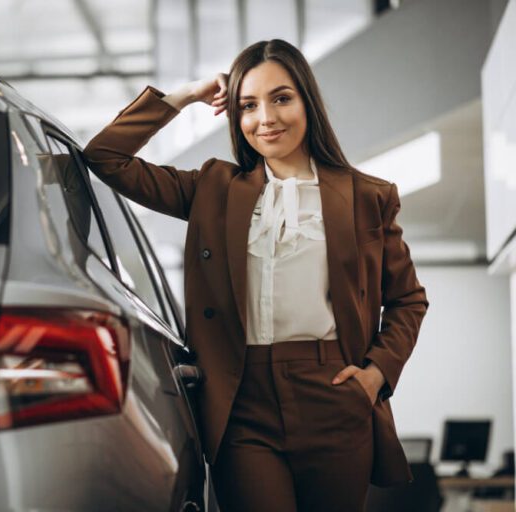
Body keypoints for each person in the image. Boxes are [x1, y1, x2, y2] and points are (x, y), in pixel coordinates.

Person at [83, 39, 429, 512]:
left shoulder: (367, 196)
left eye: (281, 98)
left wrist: (375, 374)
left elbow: (408, 299)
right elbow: (105, 157)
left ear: (307, 101)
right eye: (248, 105)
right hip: (240, 401)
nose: (265, 118)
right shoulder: (213, 189)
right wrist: (184, 95)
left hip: (334, 393)